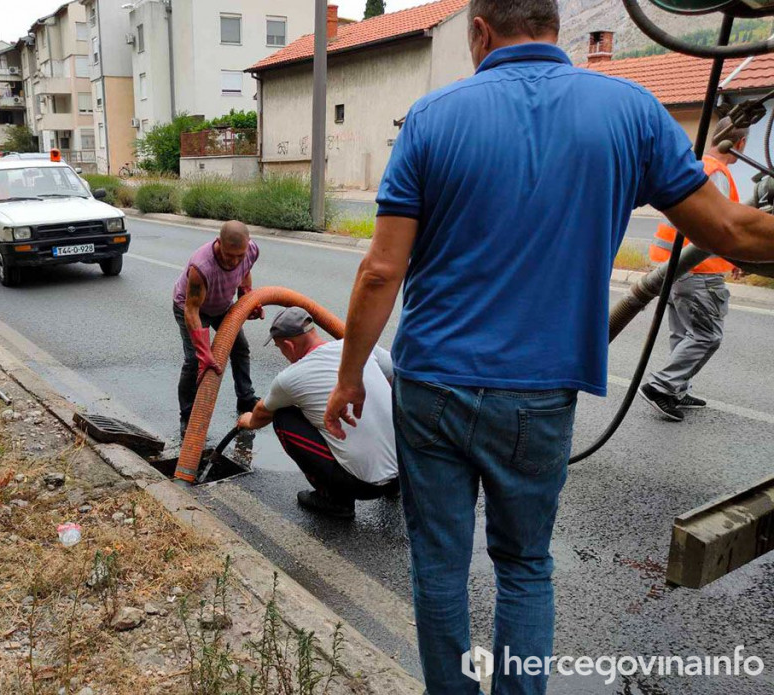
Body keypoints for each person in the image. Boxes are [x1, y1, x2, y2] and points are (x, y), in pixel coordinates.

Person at [321, 2, 774, 693]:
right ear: (554, 26)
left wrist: (350, 375)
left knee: (439, 565)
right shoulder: (632, 111)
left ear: (480, 31)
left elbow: (382, 270)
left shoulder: (433, 118)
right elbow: (733, 232)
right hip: (538, 393)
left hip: (433, 382)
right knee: (525, 566)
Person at [236, 308, 398, 519]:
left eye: (279, 348)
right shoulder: (359, 348)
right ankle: (393, 486)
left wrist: (247, 421)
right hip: (406, 472)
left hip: (363, 486)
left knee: (283, 416)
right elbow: (395, 373)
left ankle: (335, 500)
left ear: (289, 345)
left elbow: (262, 413)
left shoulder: (289, 379)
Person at [639, 118, 748, 422]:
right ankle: (662, 387)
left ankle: (676, 389)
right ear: (740, 144)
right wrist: (740, 259)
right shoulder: (718, 174)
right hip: (697, 270)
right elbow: (722, 226)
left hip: (670, 267)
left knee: (683, 332)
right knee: (706, 335)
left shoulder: (696, 166)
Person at [173, 221, 262, 435]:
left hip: (221, 305)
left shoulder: (250, 251)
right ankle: (187, 416)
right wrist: (204, 352)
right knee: (194, 361)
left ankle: (246, 398)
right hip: (192, 308)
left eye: (239, 255)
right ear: (219, 243)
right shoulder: (202, 266)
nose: (234, 261)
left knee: (240, 348)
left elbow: (245, 270)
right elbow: (192, 310)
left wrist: (246, 298)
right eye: (229, 255)